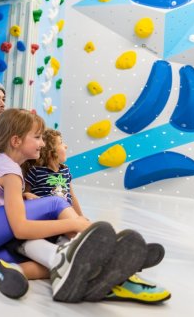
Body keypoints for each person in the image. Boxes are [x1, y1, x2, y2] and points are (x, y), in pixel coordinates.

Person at [0, 108, 150, 303]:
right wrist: (74, 224)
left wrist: (23, 196)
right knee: (56, 202)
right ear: (16, 141)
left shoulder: (2, 165)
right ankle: (107, 252)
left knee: (43, 256)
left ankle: (28, 271)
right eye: (38, 137)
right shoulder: (10, 170)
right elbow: (20, 228)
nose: (42, 143)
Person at [23, 128, 170, 304]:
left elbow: (72, 195)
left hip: (68, 216)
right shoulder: (37, 171)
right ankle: (116, 253)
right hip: (52, 218)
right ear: (51, 151)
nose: (66, 145)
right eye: (62, 143)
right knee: (80, 237)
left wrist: (81, 217)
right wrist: (27, 196)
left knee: (86, 232)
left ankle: (114, 253)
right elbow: (26, 192)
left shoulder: (65, 170)